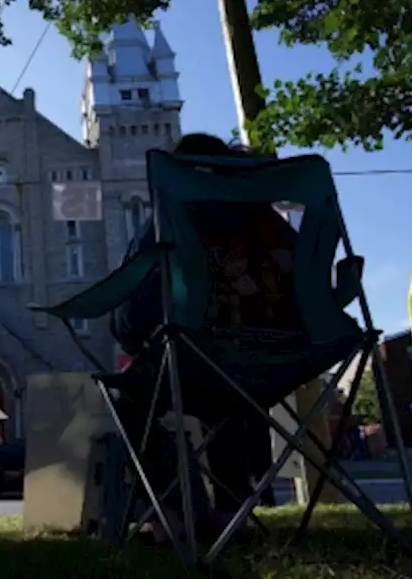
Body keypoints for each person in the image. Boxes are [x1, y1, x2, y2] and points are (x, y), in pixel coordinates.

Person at [107, 133, 298, 543]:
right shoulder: (267, 219)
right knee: (226, 400)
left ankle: (175, 514)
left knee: (132, 401)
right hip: (286, 357)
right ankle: (231, 512)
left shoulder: (172, 213)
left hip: (203, 353)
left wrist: (129, 337)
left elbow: (134, 304)